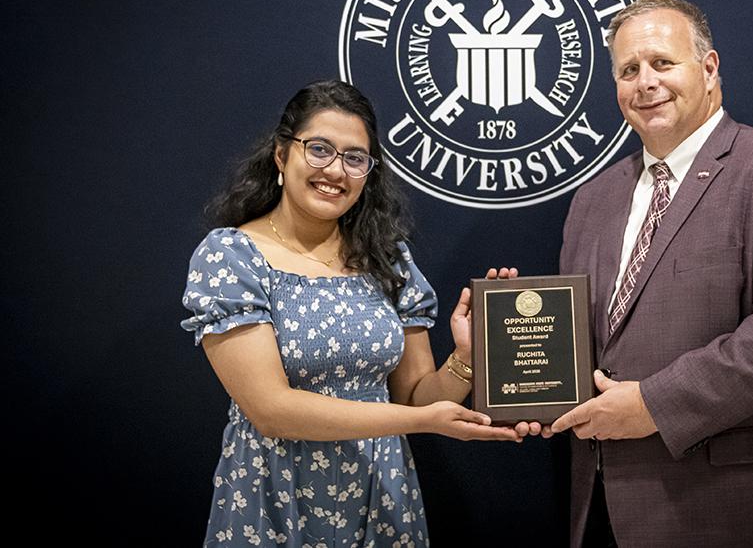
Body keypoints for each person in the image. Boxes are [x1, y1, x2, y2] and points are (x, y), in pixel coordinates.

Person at [536, 0, 753, 546]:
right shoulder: (594, 198)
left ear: (708, 69)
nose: (645, 83)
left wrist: (654, 405)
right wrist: (521, 372)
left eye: (663, 63)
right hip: (609, 507)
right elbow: (586, 344)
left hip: (739, 507)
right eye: (628, 70)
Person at [181, 80, 519, 547]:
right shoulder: (231, 257)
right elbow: (272, 410)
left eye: (355, 158)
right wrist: (420, 422)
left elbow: (417, 400)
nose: (335, 171)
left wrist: (467, 357)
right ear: (282, 155)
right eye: (319, 150)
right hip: (276, 498)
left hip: (381, 496)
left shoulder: (388, 259)